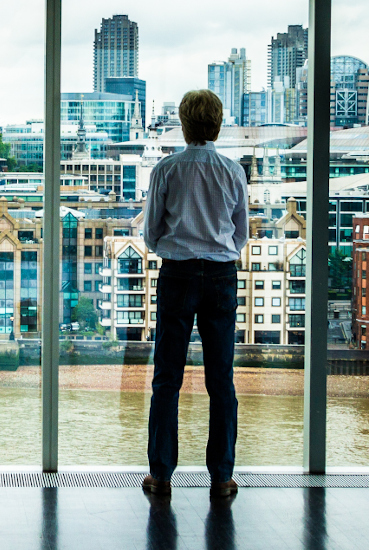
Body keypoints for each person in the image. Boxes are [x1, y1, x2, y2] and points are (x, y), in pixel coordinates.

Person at [140, 89, 247, 499]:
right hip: (221, 275)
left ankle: (161, 474)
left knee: (167, 377)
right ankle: (221, 477)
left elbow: (151, 233)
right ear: (217, 124)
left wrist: (178, 244)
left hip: (178, 274)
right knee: (221, 379)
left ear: (183, 124)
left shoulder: (166, 169)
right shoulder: (233, 170)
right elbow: (240, 233)